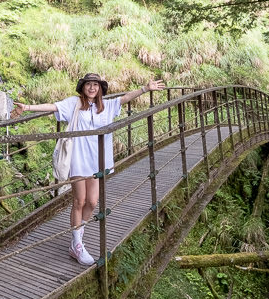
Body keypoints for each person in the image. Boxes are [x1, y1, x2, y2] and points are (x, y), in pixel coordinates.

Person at [14, 73, 166, 265]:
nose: (92, 88)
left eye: (96, 85)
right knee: (79, 200)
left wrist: (145, 88)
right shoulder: (74, 104)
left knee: (92, 203)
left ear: (101, 88)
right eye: (89, 85)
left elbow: (125, 98)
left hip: (97, 161)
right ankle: (77, 244)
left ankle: (79, 231)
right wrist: (26, 107)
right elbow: (53, 106)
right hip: (78, 159)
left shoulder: (107, 106)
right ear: (83, 87)